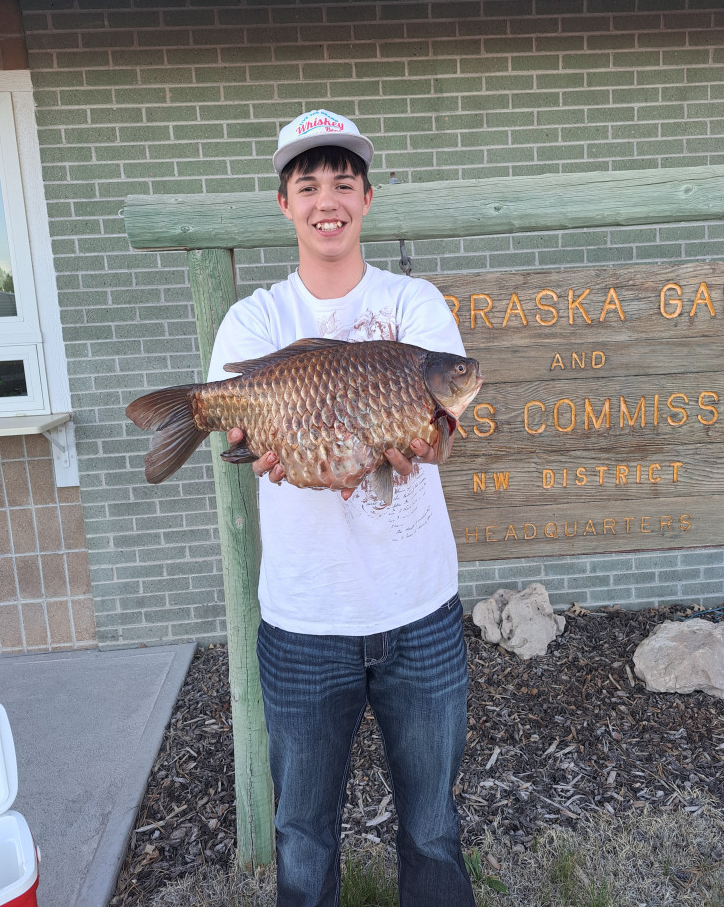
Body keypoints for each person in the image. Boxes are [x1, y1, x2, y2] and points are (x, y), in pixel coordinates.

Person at [208, 109, 476, 907]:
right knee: (302, 832)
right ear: (284, 204)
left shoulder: (414, 305)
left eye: (343, 182)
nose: (327, 199)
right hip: (302, 621)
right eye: (308, 184)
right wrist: (258, 445)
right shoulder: (253, 321)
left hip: (418, 611)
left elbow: (442, 438)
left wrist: (425, 444)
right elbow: (250, 441)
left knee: (431, 825)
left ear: (366, 198)